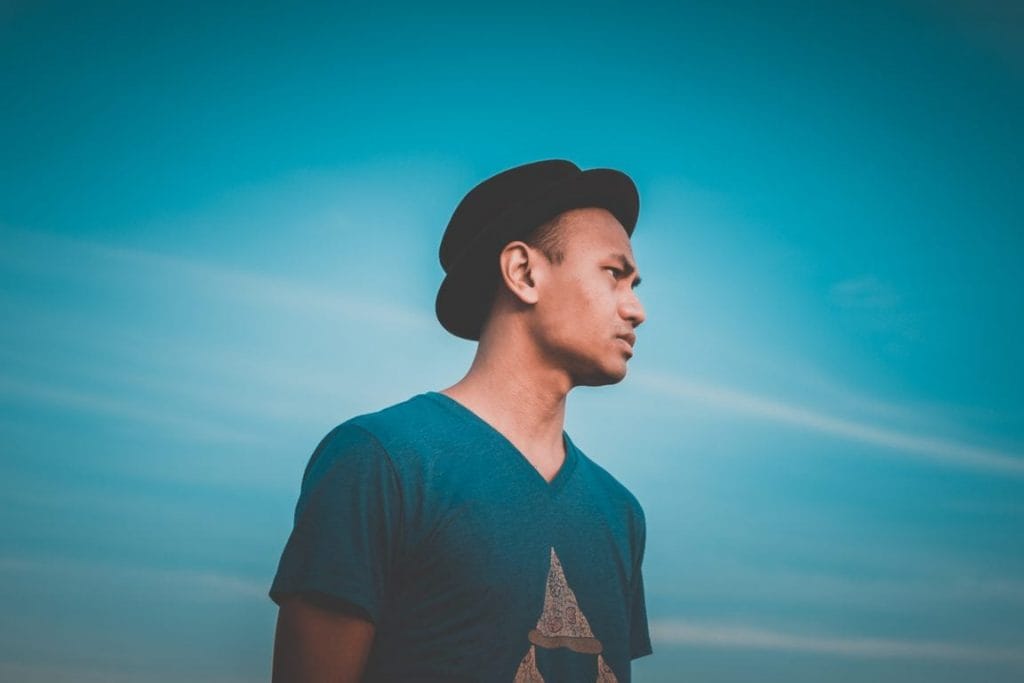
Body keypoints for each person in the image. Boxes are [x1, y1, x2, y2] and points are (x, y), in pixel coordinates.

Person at [269, 159, 652, 682]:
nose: (636, 309)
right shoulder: (380, 461)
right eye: (615, 275)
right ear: (523, 272)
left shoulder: (620, 514)